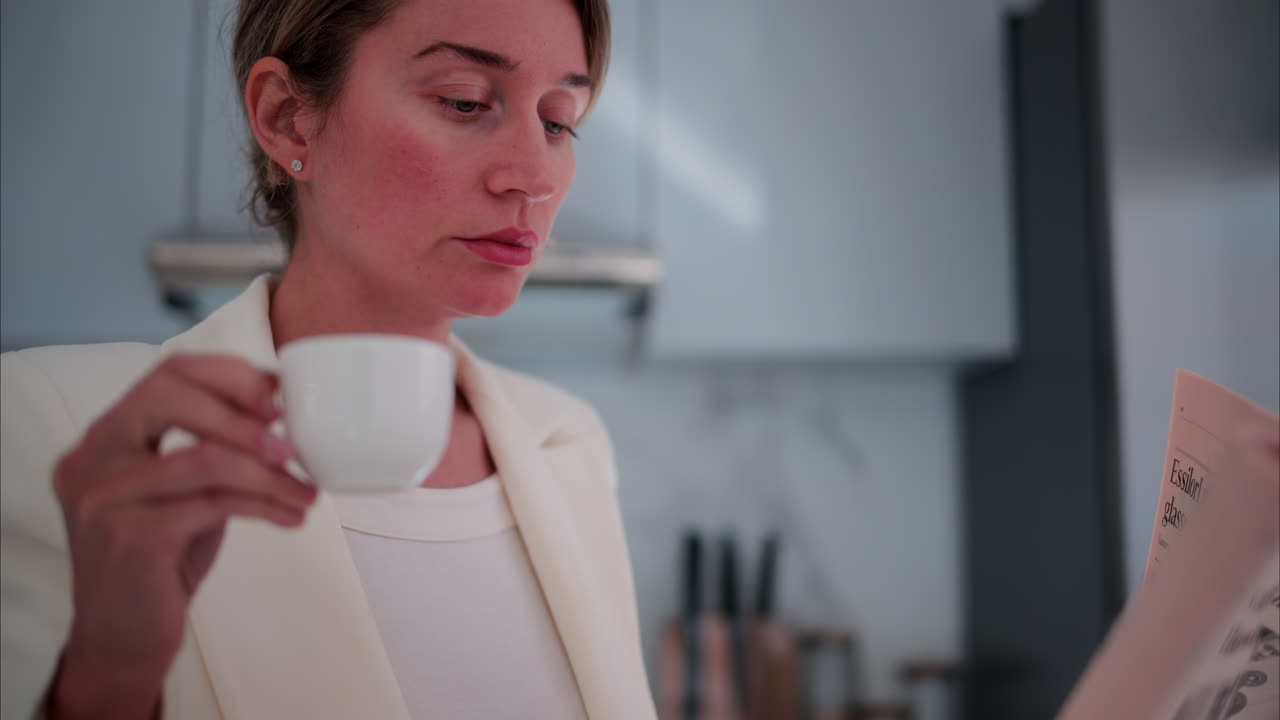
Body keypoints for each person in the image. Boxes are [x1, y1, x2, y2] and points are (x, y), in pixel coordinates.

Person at [0, 0, 655, 717]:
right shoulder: (60, 428)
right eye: (465, 101)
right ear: (287, 118)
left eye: (558, 120)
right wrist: (106, 673)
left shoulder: (568, 444)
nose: (534, 174)